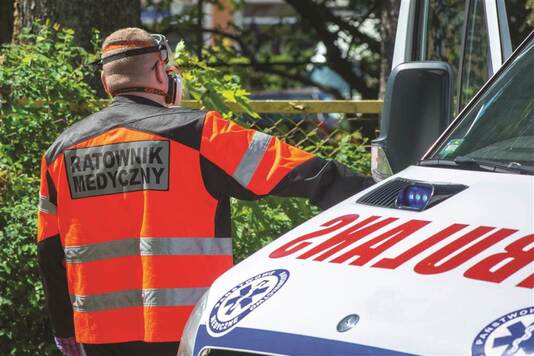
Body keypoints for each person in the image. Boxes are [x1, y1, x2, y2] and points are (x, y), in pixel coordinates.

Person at [37, 27, 374, 356]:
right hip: (188, 330)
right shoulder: (198, 131)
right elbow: (306, 173)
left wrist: (64, 332)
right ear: (160, 71)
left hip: (99, 335)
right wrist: (385, 197)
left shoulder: (59, 153)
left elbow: (50, 254)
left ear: (105, 81)